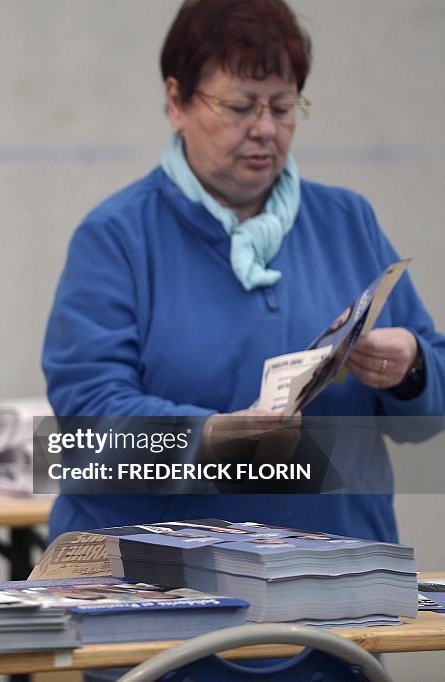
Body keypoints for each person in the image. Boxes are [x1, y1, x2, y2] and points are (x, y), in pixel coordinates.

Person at [43, 0, 445, 547]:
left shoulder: (348, 221)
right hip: (164, 590)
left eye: (283, 107)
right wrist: (209, 442)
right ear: (176, 102)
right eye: (239, 106)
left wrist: (413, 368)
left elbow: (429, 410)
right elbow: (89, 424)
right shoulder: (117, 236)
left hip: (338, 585)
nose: (265, 130)